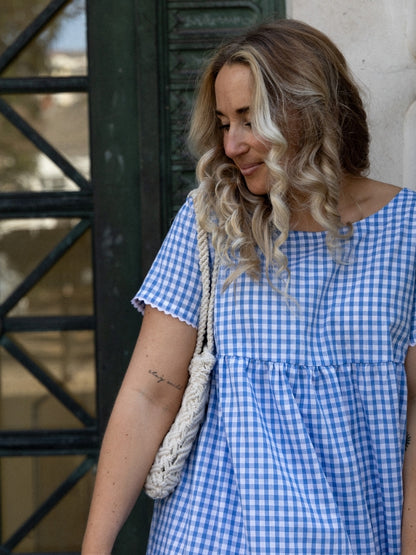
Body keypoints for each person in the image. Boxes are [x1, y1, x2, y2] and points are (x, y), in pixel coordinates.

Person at [82, 18, 416, 554]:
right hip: (211, 535)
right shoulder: (211, 221)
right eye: (222, 123)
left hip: (355, 534)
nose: (232, 144)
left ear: (310, 109)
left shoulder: (408, 231)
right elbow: (149, 394)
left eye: (248, 119)